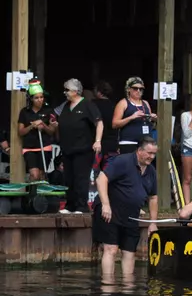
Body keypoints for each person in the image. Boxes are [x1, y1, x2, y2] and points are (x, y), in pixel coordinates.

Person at [92, 136, 158, 277]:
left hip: (131, 215)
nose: (152, 157)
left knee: (129, 251)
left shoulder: (151, 171)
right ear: (139, 151)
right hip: (111, 211)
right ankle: (108, 287)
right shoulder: (122, 161)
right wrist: (105, 205)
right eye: (149, 153)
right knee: (111, 248)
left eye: (154, 153)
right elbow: (101, 179)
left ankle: (128, 289)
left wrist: (153, 222)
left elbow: (153, 197)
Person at [58, 79, 104, 214]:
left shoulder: (88, 105)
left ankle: (81, 206)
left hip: (82, 149)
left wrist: (98, 141)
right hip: (67, 149)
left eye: (67, 90)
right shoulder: (66, 106)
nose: (65, 92)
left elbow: (99, 123)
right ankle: (70, 205)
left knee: (80, 178)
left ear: (75, 91)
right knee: (69, 178)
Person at [18, 82, 57, 182]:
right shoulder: (25, 112)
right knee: (34, 175)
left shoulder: (48, 111)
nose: (40, 100)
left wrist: (43, 125)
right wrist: (32, 126)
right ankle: (32, 196)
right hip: (29, 148)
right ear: (31, 99)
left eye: (41, 97)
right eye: (36, 98)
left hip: (44, 146)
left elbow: (51, 131)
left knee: (41, 175)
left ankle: (40, 196)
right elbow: (21, 132)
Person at [113, 77, 156, 156]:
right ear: (129, 89)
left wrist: (152, 118)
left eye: (141, 89)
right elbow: (115, 124)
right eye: (135, 88)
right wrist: (131, 117)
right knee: (129, 166)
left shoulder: (145, 103)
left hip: (145, 142)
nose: (138, 91)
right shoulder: (123, 103)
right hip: (129, 142)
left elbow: (149, 122)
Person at [92, 81, 118, 162]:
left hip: (95, 143)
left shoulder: (92, 105)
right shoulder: (115, 105)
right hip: (112, 144)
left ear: (99, 93)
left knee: (94, 172)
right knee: (109, 171)